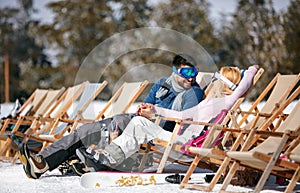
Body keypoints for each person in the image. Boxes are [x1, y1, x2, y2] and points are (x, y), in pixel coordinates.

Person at [18, 53, 204, 179]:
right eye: (186, 72)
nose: (191, 77)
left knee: (114, 124)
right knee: (86, 129)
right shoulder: (162, 83)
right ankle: (42, 162)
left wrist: (154, 115)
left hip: (155, 129)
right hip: (138, 121)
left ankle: (99, 160)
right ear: (175, 71)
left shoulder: (192, 93)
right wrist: (145, 110)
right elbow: (147, 103)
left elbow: (184, 120)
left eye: (194, 72)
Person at [73, 65, 259, 171]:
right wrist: (156, 111)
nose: (213, 82)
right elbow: (182, 115)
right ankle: (109, 157)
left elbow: (242, 88)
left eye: (217, 79)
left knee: (139, 124)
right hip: (184, 138)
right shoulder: (210, 101)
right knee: (140, 122)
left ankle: (109, 159)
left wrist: (250, 71)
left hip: (187, 143)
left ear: (222, 84)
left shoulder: (225, 101)